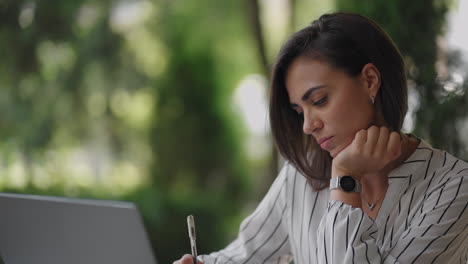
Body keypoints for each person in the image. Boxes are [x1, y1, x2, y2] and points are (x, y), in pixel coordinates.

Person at [174, 12, 468, 264]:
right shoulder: (302, 175)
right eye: (298, 111)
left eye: (319, 100)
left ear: (369, 80)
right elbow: (245, 254)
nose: (307, 126)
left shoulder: (453, 186)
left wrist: (345, 177)